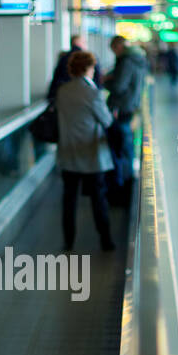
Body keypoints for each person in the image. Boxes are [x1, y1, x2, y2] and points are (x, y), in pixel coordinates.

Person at [55, 48, 115, 252]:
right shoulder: (93, 93)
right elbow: (106, 120)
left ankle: (68, 241)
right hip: (91, 154)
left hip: (68, 152)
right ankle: (105, 240)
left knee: (69, 199)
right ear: (89, 68)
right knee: (98, 198)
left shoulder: (62, 91)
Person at [104, 34, 147, 203]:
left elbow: (119, 86)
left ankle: (122, 188)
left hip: (121, 108)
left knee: (121, 146)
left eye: (114, 50)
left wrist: (105, 82)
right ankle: (126, 184)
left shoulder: (126, 61)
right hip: (131, 106)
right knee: (126, 145)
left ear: (118, 47)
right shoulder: (138, 59)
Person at [48, 34, 102, 100]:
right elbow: (98, 77)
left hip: (65, 94)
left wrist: (51, 96)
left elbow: (56, 78)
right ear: (78, 43)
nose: (86, 45)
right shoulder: (88, 58)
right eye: (84, 42)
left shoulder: (63, 57)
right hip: (85, 94)